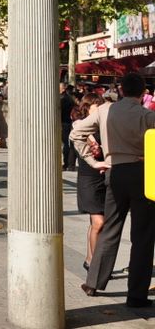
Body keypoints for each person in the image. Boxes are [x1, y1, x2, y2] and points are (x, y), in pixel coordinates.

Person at [74, 73, 155, 307]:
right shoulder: (147, 115)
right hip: (142, 173)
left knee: (110, 227)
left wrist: (93, 161)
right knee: (143, 235)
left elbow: (76, 132)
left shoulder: (105, 111)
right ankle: (136, 295)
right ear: (143, 92)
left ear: (120, 90)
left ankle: (93, 282)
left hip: (115, 171)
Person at [72, 93, 107, 271]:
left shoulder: (104, 126)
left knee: (98, 223)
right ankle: (96, 266)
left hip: (104, 177)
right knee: (99, 222)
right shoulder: (80, 126)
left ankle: (89, 258)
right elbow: (77, 135)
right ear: (86, 108)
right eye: (95, 105)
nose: (99, 109)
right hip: (88, 178)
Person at [60, 82, 76, 170]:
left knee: (66, 144)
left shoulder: (63, 98)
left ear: (63, 89)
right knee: (67, 143)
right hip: (68, 122)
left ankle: (66, 163)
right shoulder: (69, 98)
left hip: (64, 122)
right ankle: (69, 163)